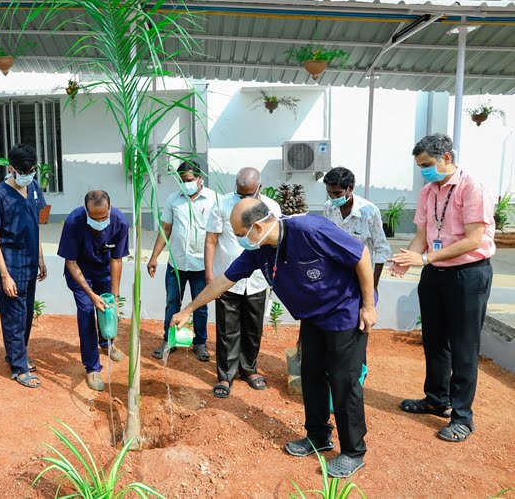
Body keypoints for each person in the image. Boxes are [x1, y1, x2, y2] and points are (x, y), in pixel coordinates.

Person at [170, 198, 378, 478]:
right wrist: (189, 308)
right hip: (314, 317)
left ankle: (354, 451)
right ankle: (318, 436)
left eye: (241, 235)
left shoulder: (310, 229)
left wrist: (368, 305)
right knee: (312, 374)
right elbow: (223, 281)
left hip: (346, 311)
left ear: (257, 226)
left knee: (343, 381)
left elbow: (361, 254)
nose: (241, 241)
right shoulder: (260, 250)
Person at [389, 133, 495, 443]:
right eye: (420, 166)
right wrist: (406, 259)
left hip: (468, 275)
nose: (424, 171)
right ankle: (437, 398)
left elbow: (474, 239)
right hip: (435, 274)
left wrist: (425, 257)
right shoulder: (427, 192)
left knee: (464, 347)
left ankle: (463, 417)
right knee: (434, 341)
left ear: (446, 158)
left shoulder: (472, 188)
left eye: (426, 165)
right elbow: (421, 236)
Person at [204, 167, 280, 398]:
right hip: (227, 278)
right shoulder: (222, 205)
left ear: (259, 188)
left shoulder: (271, 208)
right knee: (227, 328)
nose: (243, 199)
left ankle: (249, 368)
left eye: (248, 195)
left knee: (253, 327)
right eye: (240, 194)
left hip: (257, 280)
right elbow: (211, 240)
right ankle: (225, 376)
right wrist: (209, 276)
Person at [0, 144, 48, 388]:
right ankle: (19, 368)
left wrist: (41, 258)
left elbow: (36, 225)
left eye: (31, 170)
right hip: (10, 263)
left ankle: (17, 355)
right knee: (14, 315)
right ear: (11, 169)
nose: (28, 175)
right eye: (23, 171)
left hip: (31, 261)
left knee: (27, 313)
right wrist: (4, 276)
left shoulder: (32, 187)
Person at [57, 190, 129, 391]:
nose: (99, 222)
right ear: (86, 211)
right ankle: (92, 367)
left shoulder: (120, 222)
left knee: (107, 308)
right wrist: (91, 294)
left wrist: (114, 295)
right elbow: (70, 262)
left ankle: (107, 343)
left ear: (110, 208)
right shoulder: (74, 221)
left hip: (105, 270)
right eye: (94, 218)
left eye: (103, 217)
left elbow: (116, 259)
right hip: (81, 272)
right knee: (88, 312)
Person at [148, 160, 218, 362]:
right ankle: (169, 340)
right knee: (172, 303)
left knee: (200, 306)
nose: (185, 184)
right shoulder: (173, 199)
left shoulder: (213, 199)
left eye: (188, 180)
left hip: (201, 265)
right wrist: (154, 256)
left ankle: (200, 343)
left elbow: (218, 234)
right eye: (181, 181)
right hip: (176, 264)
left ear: (199, 179)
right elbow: (166, 229)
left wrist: (214, 266)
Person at [323, 167, 391, 290]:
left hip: (361, 278)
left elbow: (381, 249)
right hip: (335, 276)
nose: (333, 198)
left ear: (350, 188)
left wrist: (373, 285)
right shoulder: (328, 208)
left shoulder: (369, 211)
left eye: (338, 193)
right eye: (329, 193)